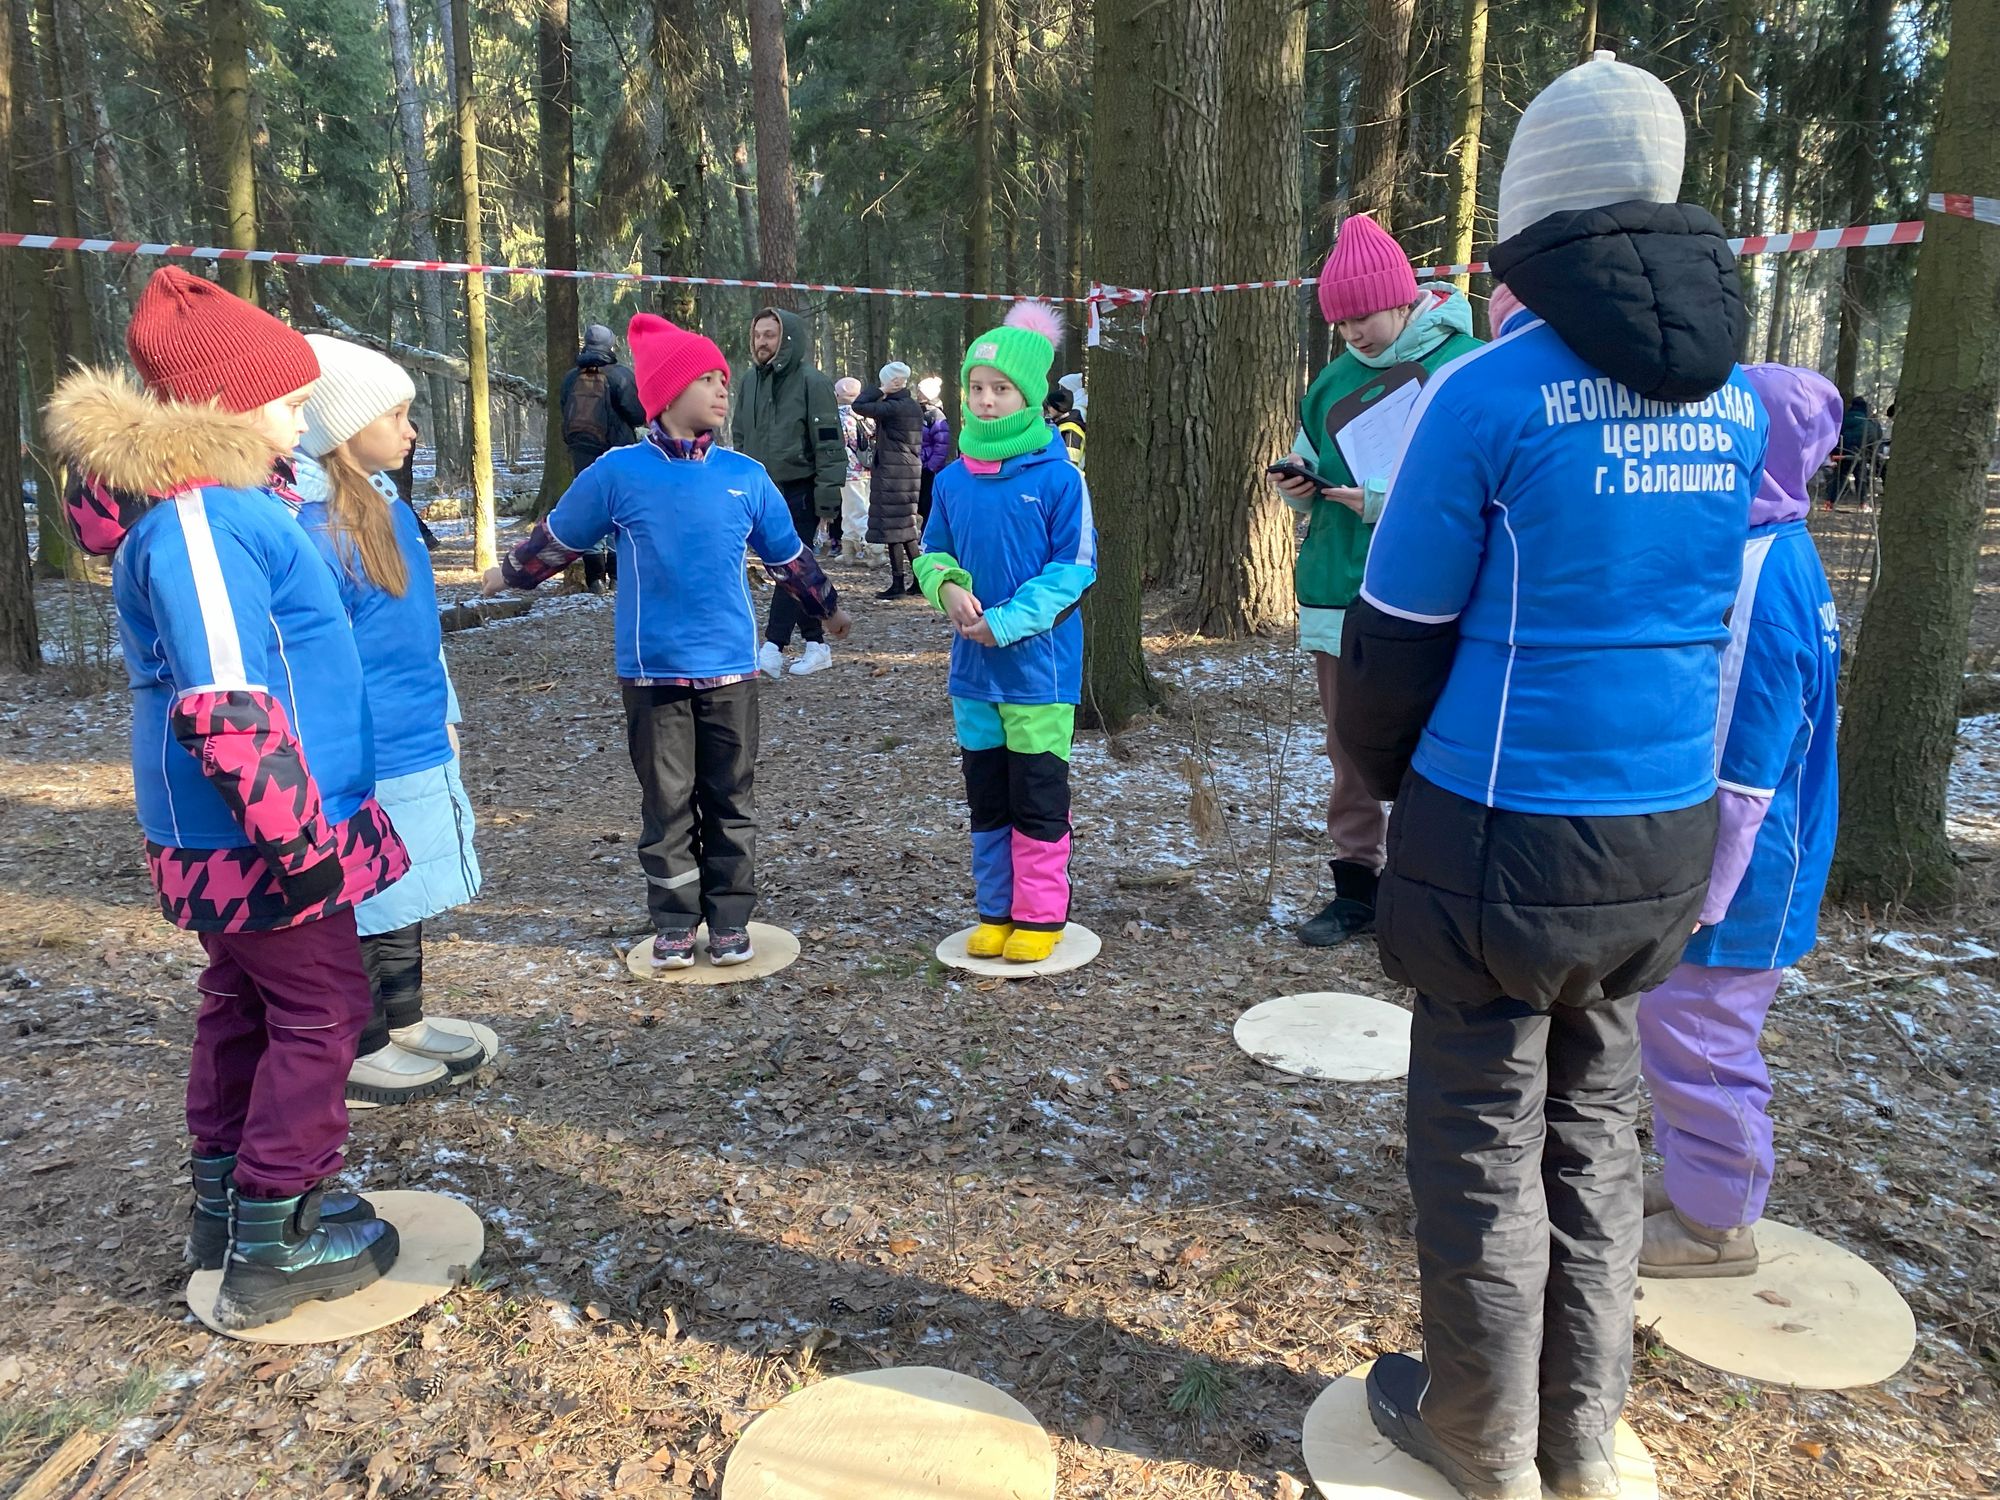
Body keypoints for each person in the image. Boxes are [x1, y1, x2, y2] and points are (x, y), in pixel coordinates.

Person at [1335, 54, 1767, 1500]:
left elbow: (1393, 637)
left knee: (1479, 1134)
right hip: (1662, 831)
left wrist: (1382, 781)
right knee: (1591, 1125)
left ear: (1531, 219)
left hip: (1498, 834)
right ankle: (1578, 1438)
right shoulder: (1738, 405)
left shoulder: (1485, 394)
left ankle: (1481, 1434)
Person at [47, 267, 404, 1331]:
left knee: (246, 1000)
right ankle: (276, 1235)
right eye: (288, 401)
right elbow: (224, 700)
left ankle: (229, 1202)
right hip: (261, 833)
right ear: (224, 407)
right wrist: (299, 843)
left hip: (249, 828)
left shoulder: (225, 512)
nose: (300, 420)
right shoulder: (204, 524)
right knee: (325, 1007)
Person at [484, 314, 853, 969]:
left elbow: (788, 557)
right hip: (652, 674)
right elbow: (559, 538)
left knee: (731, 800)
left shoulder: (745, 476)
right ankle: (677, 922)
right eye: (707, 379)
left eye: (723, 379)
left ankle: (731, 919)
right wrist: (507, 574)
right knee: (668, 803)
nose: (722, 389)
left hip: (731, 671)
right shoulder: (618, 473)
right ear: (668, 391)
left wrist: (827, 608)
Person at [1636, 364, 1843, 1280]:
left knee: (1701, 1040)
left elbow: (1743, 768)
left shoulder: (1762, 573)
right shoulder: (1777, 545)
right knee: (1680, 1030)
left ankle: (1717, 1221)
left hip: (1742, 876)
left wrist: (1702, 898)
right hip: (1752, 864)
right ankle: (1696, 1181)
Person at [293, 336, 494, 1108]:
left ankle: (405, 1019)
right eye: (396, 415)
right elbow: (318, 661)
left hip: (416, 733)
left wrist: (447, 711)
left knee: (404, 885)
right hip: (359, 751)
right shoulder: (313, 529)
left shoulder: (391, 509)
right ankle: (365, 1040)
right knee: (362, 895)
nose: (411, 431)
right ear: (343, 426)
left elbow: (420, 631)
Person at [1272, 215, 1482, 951]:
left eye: (1364, 314)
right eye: (1341, 320)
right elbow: (1308, 457)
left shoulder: (1464, 368)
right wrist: (1298, 485)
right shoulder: (1332, 381)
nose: (1354, 331)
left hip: (1439, 596)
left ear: (1402, 298)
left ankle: (1435, 891)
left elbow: (1486, 484)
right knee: (1351, 747)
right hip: (1341, 589)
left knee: (1443, 744)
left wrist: (1386, 501)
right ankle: (1356, 890)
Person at [915, 303, 1097, 966]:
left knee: (1038, 795)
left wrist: (1005, 622)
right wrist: (946, 586)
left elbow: (1074, 570)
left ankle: (1041, 916)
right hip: (972, 674)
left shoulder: (1060, 477)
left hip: (1040, 672)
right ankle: (995, 910)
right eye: (977, 387)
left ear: (1029, 397)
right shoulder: (952, 479)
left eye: (1002, 389)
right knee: (988, 797)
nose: (986, 401)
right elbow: (932, 550)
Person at [732, 307, 847, 678]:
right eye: (758, 335)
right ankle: (816, 644)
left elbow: (829, 444)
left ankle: (773, 647)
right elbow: (739, 434)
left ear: (787, 339)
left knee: (789, 566)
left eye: (770, 334)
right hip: (762, 491)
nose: (762, 342)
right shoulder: (749, 381)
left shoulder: (813, 382)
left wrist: (827, 498)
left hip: (801, 489)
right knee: (788, 568)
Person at [561, 324, 647, 593]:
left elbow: (564, 410)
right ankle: (617, 575)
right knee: (619, 509)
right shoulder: (620, 375)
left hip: (582, 452)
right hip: (617, 452)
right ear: (611, 345)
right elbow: (637, 414)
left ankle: (594, 577)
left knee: (592, 509)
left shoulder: (570, 378)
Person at [854, 361, 926, 598]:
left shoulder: (895, 406)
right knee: (905, 530)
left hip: (894, 474)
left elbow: (859, 405)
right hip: (905, 471)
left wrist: (881, 390)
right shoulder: (910, 404)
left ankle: (898, 584)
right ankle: (919, 581)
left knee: (893, 529)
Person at [833, 375, 872, 560]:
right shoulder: (867, 417)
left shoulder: (838, 418)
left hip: (849, 469)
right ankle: (849, 549)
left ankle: (874, 549)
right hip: (867, 468)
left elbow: (838, 445)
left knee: (855, 511)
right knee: (854, 509)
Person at [1830, 395, 1885, 512]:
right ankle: (1862, 504)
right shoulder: (1868, 422)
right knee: (1861, 478)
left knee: (1839, 477)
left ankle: (1830, 502)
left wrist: (1834, 452)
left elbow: (1832, 436)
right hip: (1859, 453)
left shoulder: (1842, 419)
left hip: (1841, 452)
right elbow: (1874, 438)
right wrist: (1872, 454)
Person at [918, 375, 951, 526]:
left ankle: (928, 532)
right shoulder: (918, 411)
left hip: (929, 469)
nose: (918, 394)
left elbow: (942, 445)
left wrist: (931, 466)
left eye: (921, 392)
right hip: (918, 465)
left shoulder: (936, 415)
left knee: (928, 504)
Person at [1043, 386, 1087, 468]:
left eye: (1050, 405)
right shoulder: (1061, 425)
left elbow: (1070, 463)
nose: (1048, 408)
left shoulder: (1070, 431)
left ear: (1058, 407)